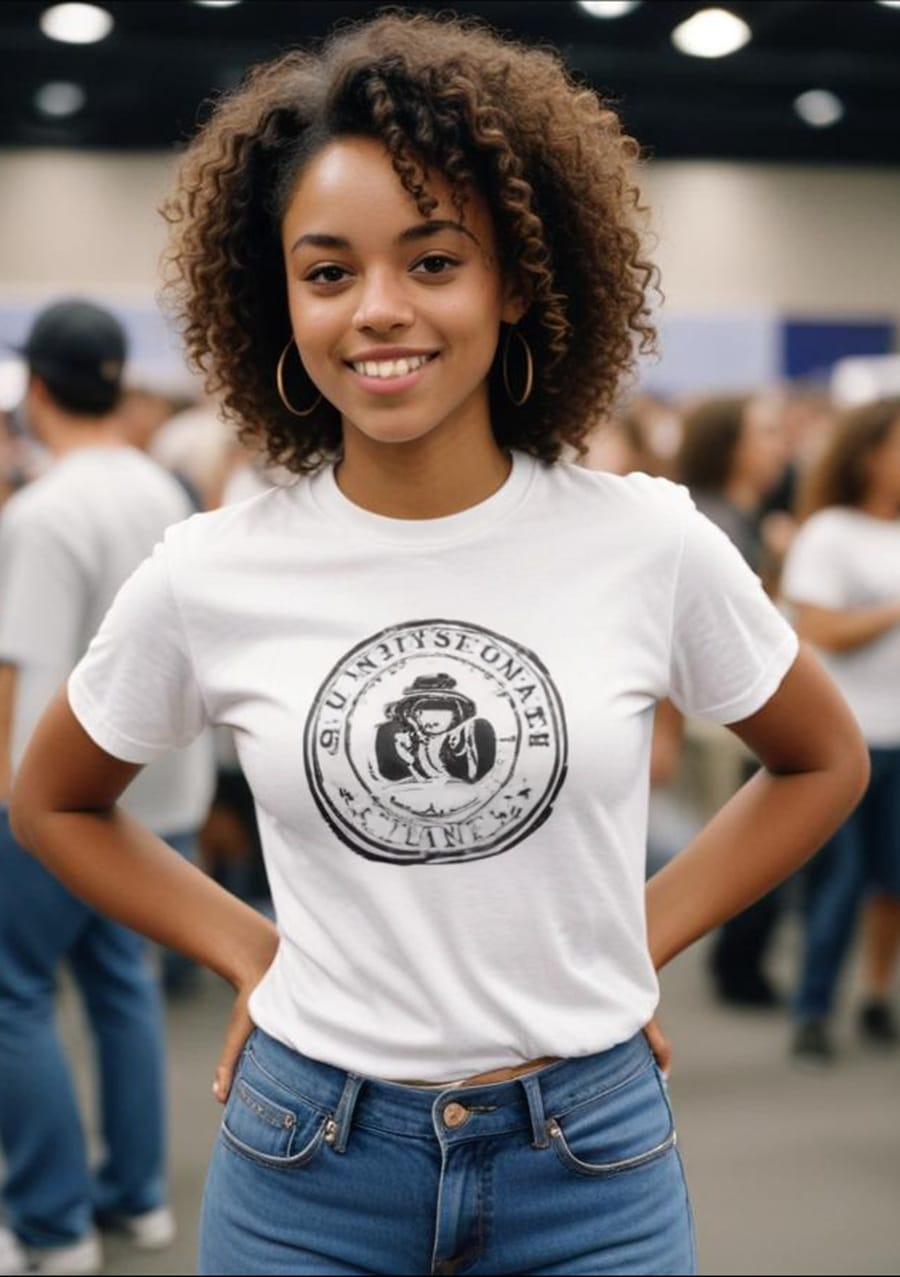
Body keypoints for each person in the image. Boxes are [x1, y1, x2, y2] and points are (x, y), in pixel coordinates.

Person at [9, 14, 868, 1276]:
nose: (379, 310)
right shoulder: (213, 567)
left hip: (590, 1159)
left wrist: (629, 944)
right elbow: (52, 799)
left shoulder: (646, 538)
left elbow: (821, 759)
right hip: (307, 1158)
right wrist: (248, 944)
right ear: (279, 297)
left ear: (515, 276)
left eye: (432, 259)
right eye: (328, 271)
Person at [0, 299, 215, 1276]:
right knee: (121, 987)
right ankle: (134, 1198)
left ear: (37, 387)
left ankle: (52, 1222)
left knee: (13, 994)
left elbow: (16, 672)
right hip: (160, 791)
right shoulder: (162, 487)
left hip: (55, 805)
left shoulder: (41, 511)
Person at [781, 397, 900, 1065]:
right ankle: (813, 1007)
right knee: (844, 878)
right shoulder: (829, 531)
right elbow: (821, 629)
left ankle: (877, 995)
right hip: (844, 741)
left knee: (894, 883)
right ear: (868, 454)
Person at [677, 394, 792, 1007]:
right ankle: (737, 966)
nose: (779, 446)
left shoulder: (744, 517)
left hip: (732, 716)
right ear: (730, 444)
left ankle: (740, 963)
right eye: (766, 432)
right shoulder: (711, 525)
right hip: (723, 721)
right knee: (739, 840)